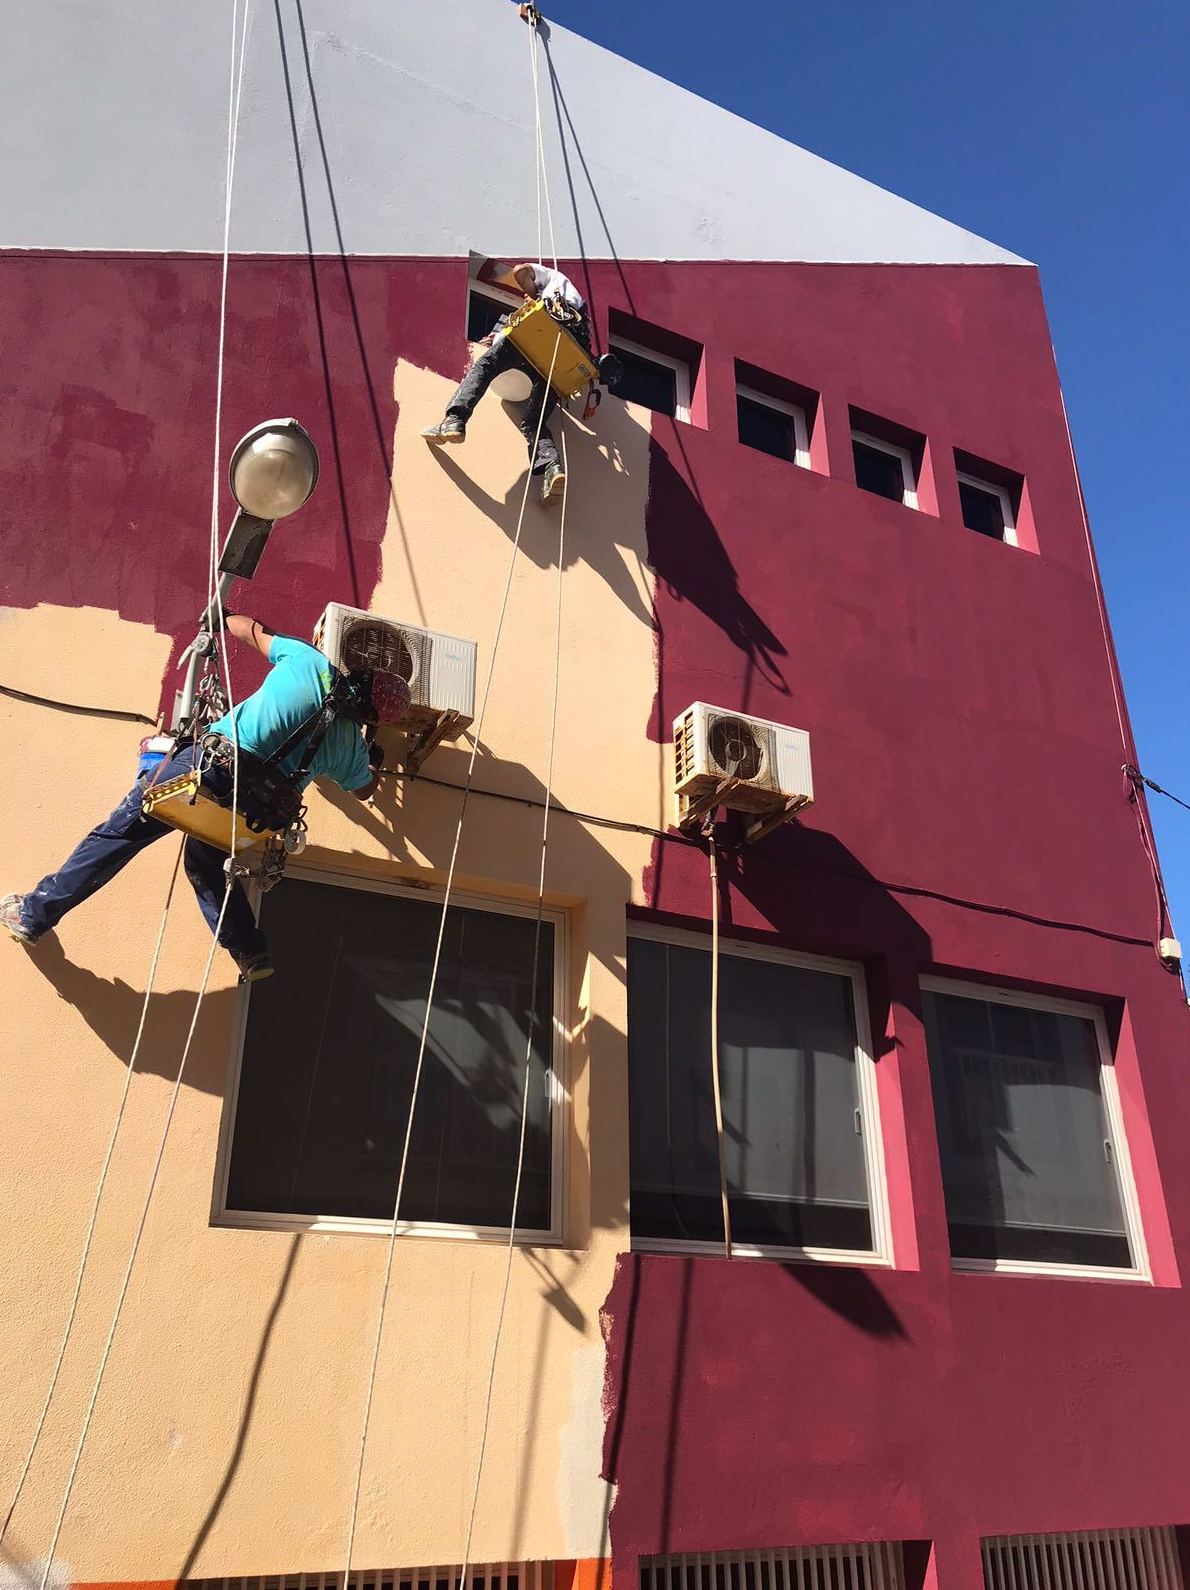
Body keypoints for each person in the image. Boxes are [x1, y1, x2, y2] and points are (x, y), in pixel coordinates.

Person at [1, 615, 410, 984]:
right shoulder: (349, 748)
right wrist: (371, 757)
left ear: (361, 672)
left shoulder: (308, 662)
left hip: (211, 771)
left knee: (120, 834)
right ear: (371, 717)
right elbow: (364, 790)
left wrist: (223, 616)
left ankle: (35, 913)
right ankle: (249, 950)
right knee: (206, 864)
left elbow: (255, 632)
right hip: (250, 813)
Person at [422, 262, 590, 504]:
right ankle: (552, 468)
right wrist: (496, 336)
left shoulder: (552, 281)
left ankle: (455, 420)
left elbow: (520, 271)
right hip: (564, 355)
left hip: (545, 334)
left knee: (485, 366)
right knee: (534, 422)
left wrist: (534, 296)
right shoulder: (575, 312)